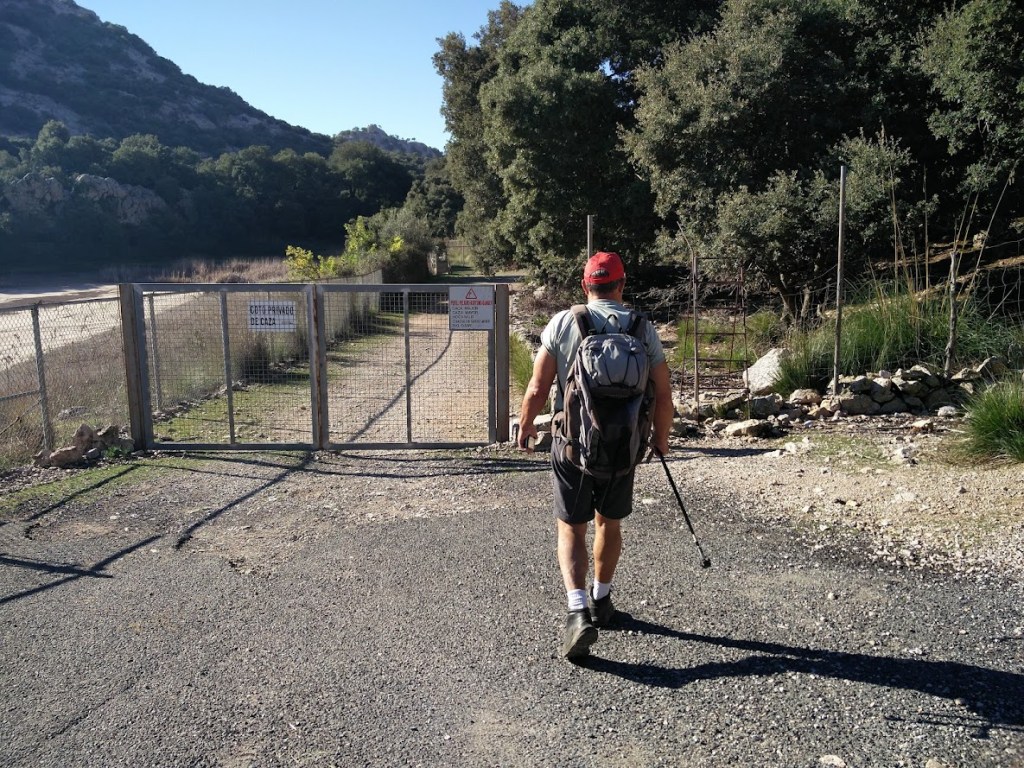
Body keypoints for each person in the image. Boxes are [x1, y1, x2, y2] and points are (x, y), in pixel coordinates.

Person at [517, 251, 674, 659]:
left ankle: (576, 613)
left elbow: (537, 387)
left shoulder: (565, 323)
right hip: (624, 449)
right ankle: (602, 601)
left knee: (572, 527)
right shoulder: (642, 328)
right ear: (622, 285)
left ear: (586, 286)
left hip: (572, 447)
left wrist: (526, 424)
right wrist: (661, 438)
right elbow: (663, 392)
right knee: (610, 524)